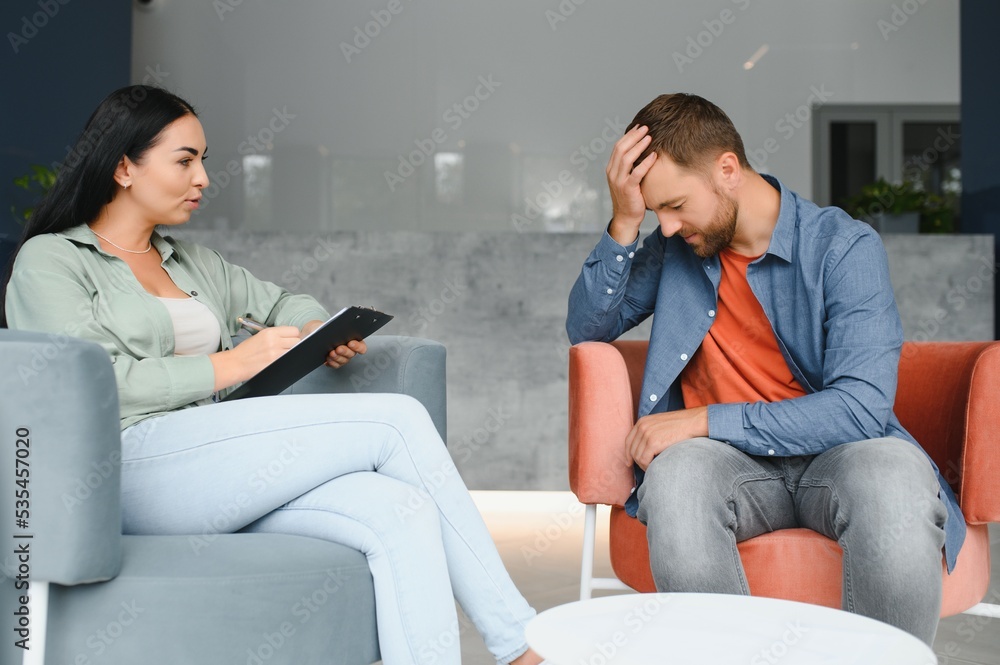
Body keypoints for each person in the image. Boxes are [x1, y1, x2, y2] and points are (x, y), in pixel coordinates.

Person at [2, 85, 544, 665]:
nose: (203, 178)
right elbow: (81, 386)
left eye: (203, 161)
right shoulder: (53, 260)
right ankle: (523, 647)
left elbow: (284, 301)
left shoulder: (192, 262)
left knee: (398, 511)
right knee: (397, 420)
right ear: (123, 167)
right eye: (184, 161)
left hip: (209, 468)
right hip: (122, 466)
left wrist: (316, 330)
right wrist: (230, 363)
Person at [566, 93, 963, 646]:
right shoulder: (675, 248)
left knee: (893, 474)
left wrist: (704, 420)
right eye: (658, 212)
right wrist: (625, 220)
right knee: (676, 476)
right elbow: (588, 329)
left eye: (677, 204)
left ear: (727, 169)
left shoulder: (843, 248)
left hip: (839, 459)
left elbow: (860, 408)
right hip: (733, 472)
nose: (672, 226)